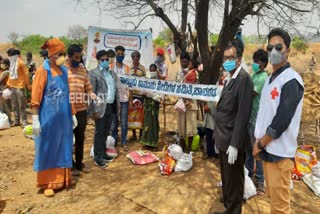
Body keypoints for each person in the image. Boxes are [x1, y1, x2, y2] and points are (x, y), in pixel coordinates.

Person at [253, 28, 304, 214]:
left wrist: (260, 142)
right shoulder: (270, 79)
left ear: (288, 50)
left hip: (279, 153)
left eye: (279, 47)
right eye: (270, 47)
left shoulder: (291, 81)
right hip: (268, 150)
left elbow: (282, 119)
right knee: (273, 201)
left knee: (280, 207)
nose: (273, 51)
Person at [32, 38, 78, 197]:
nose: (62, 57)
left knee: (64, 146)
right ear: (51, 54)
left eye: (63, 54)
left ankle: (64, 179)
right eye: (60, 54)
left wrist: (72, 114)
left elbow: (68, 94)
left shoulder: (64, 70)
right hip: (48, 119)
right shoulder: (42, 70)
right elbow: (36, 96)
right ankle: (47, 183)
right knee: (47, 147)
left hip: (64, 119)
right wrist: (35, 119)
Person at [214, 39, 253, 214]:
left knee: (234, 180)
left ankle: (234, 210)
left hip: (232, 141)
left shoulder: (243, 79)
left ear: (239, 59)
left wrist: (235, 144)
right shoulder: (230, 78)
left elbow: (243, 114)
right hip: (223, 138)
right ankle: (228, 208)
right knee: (227, 179)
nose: (226, 61)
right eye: (225, 57)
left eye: (231, 57)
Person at [66, 44, 96, 176]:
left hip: (81, 110)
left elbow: (88, 87)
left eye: (80, 57)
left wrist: (91, 94)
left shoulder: (83, 69)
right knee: (68, 138)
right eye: (76, 57)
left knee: (80, 138)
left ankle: (79, 163)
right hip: (67, 111)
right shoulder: (62, 69)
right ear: (69, 57)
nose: (78, 60)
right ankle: (70, 165)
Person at [89, 50, 119, 167]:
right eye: (103, 60)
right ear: (98, 60)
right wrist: (93, 110)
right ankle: (98, 157)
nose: (105, 62)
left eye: (107, 59)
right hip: (100, 107)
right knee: (99, 132)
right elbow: (91, 92)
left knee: (106, 131)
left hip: (110, 106)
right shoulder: (93, 73)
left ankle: (104, 152)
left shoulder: (111, 73)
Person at [245, 49, 269, 195]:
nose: (254, 64)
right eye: (254, 60)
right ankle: (248, 176)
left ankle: (260, 181)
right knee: (248, 150)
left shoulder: (263, 78)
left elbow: (251, 92)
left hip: (256, 120)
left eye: (257, 61)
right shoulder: (254, 74)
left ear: (264, 63)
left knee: (257, 152)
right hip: (249, 118)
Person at [110, 46, 130, 152]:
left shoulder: (127, 68)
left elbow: (130, 84)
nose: (120, 55)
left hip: (124, 98)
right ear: (115, 54)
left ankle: (124, 142)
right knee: (113, 122)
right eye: (118, 54)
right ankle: (113, 141)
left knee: (124, 122)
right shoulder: (110, 67)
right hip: (113, 98)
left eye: (122, 54)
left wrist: (130, 96)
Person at [140, 64, 163, 149]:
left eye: (153, 70)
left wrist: (158, 97)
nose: (152, 72)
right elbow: (142, 92)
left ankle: (154, 143)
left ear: (156, 70)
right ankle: (146, 143)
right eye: (151, 70)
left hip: (155, 106)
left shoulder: (159, 82)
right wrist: (151, 95)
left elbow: (161, 94)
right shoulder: (147, 81)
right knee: (147, 123)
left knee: (154, 124)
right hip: (147, 106)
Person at [7, 48, 30, 127]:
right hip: (12, 86)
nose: (9, 57)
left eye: (10, 55)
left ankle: (24, 121)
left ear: (14, 55)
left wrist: (28, 85)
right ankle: (17, 121)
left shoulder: (21, 62)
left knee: (22, 105)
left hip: (20, 86)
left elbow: (26, 74)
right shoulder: (12, 63)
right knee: (14, 105)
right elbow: (10, 74)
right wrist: (8, 83)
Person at [180, 58, 200, 153]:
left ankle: (188, 149)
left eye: (191, 63)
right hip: (185, 102)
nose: (189, 64)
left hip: (191, 103)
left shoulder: (193, 74)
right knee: (183, 126)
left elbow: (190, 87)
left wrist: (187, 99)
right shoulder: (188, 73)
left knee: (190, 127)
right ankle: (183, 148)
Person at [129, 50, 146, 142]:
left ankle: (141, 135)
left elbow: (144, 82)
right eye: (134, 56)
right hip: (132, 94)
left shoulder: (142, 68)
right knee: (132, 115)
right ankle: (134, 135)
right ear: (132, 58)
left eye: (137, 56)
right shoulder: (129, 68)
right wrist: (130, 98)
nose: (135, 58)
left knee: (141, 115)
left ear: (139, 58)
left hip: (140, 95)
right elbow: (128, 83)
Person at [0, 58, 12, 124]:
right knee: (4, 105)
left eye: (2, 63)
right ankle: (6, 120)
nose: (1, 64)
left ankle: (8, 120)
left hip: (4, 90)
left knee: (5, 106)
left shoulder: (6, 72)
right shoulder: (6, 71)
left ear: (6, 64)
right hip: (4, 90)